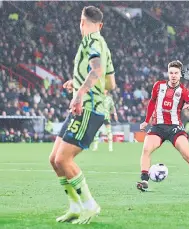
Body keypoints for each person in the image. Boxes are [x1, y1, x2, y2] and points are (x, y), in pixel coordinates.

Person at [48, 6, 116, 224]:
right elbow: (110, 83)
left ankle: (89, 205)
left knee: (63, 158)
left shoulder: (92, 41)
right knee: (54, 160)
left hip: (88, 108)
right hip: (85, 105)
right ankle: (75, 206)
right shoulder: (102, 45)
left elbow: (96, 71)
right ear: (101, 24)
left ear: (81, 22)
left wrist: (80, 93)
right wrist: (78, 83)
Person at [136, 60, 189, 192]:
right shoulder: (158, 86)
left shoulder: (183, 91)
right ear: (168, 73)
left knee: (187, 155)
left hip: (175, 128)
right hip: (158, 126)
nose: (173, 75)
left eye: (176, 73)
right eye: (171, 72)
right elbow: (152, 103)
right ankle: (144, 180)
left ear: (180, 74)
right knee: (146, 149)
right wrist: (146, 121)